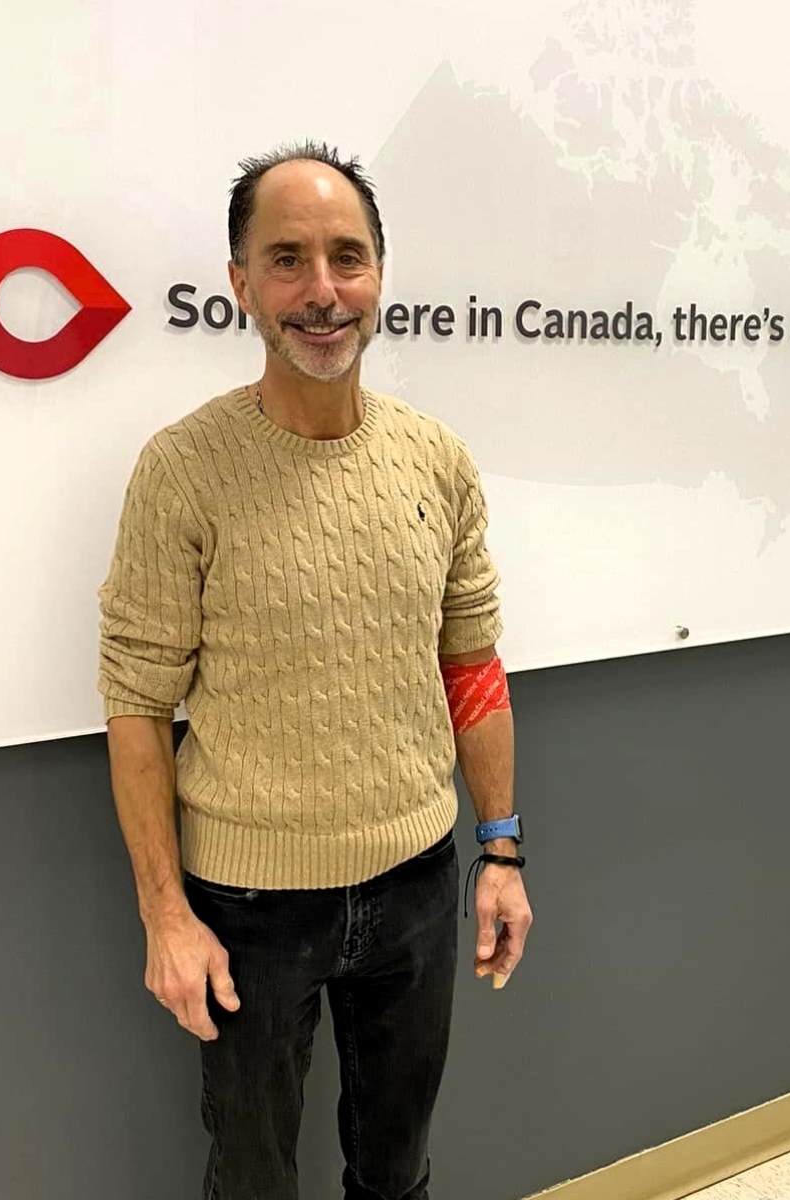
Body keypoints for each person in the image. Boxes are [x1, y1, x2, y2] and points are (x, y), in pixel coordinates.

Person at [97, 141, 533, 1200]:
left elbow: (470, 662)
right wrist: (166, 915)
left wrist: (503, 848)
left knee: (398, 1170)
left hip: (421, 884)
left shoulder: (437, 458)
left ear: (381, 274)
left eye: (348, 256)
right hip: (248, 907)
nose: (323, 291)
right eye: (287, 259)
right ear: (241, 283)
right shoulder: (183, 469)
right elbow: (137, 702)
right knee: (252, 1179)